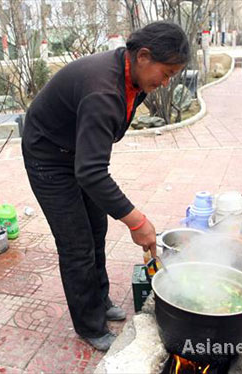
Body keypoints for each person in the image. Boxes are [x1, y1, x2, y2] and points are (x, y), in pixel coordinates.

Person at [22, 22, 190, 351]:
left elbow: (91, 166)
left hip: (75, 152)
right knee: (77, 245)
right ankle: (90, 325)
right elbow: (92, 171)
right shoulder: (104, 89)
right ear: (143, 56)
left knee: (96, 229)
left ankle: (99, 300)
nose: (165, 82)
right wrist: (137, 221)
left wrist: (119, 209)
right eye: (166, 73)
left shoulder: (131, 76)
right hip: (48, 158)